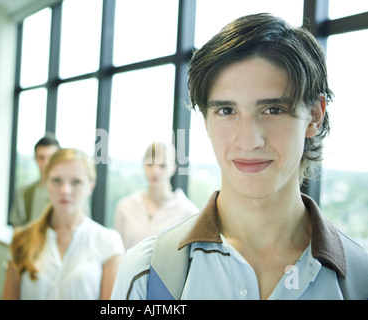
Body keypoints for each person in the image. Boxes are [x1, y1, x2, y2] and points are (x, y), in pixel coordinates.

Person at [111, 13, 368, 300]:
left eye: (273, 110)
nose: (249, 140)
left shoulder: (361, 278)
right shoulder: (147, 273)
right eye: (226, 111)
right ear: (206, 121)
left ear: (314, 116)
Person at [2, 148, 124, 300]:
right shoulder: (21, 239)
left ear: (90, 187)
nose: (65, 190)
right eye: (57, 180)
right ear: (46, 182)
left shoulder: (108, 242)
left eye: (76, 182)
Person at [113, 142, 199, 250]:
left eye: (162, 166)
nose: (155, 171)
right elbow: (119, 252)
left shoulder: (189, 213)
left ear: (173, 168)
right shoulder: (125, 206)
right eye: (150, 164)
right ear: (143, 165)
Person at [9, 135, 60, 227]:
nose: (46, 162)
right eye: (41, 157)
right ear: (35, 158)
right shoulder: (24, 191)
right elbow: (17, 228)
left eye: (51, 157)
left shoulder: (69, 193)